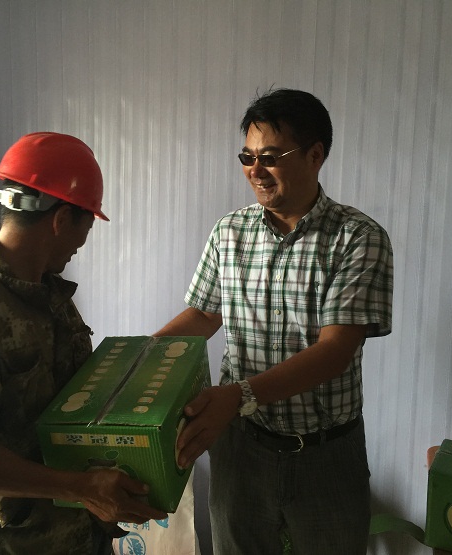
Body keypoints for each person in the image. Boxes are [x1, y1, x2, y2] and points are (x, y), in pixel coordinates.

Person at [0, 132, 167, 555]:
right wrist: (81, 487)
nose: (81, 245)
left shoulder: (50, 295)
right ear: (61, 220)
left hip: (76, 535)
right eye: (85, 228)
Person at [156, 88, 394, 554]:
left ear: (315, 155)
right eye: (247, 157)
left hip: (326, 455)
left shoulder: (358, 238)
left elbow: (334, 351)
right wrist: (137, 357)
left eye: (269, 158)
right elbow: (203, 314)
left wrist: (238, 396)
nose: (255, 171)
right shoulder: (229, 231)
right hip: (241, 450)